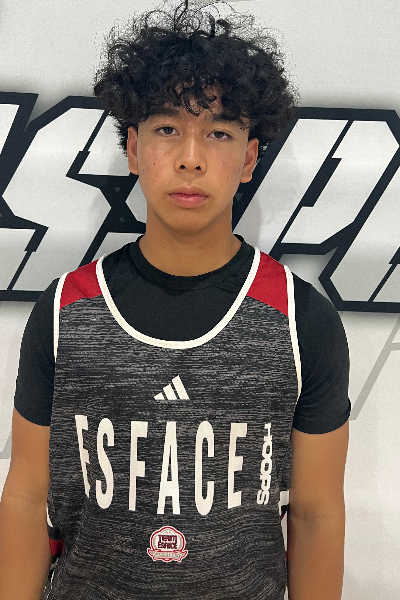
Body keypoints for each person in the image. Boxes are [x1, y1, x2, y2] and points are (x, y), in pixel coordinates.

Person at [0, 1, 351, 598]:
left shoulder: (301, 319)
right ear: (133, 149)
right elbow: (29, 497)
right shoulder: (65, 310)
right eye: (167, 129)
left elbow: (316, 514)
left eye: (219, 132)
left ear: (248, 158)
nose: (191, 157)